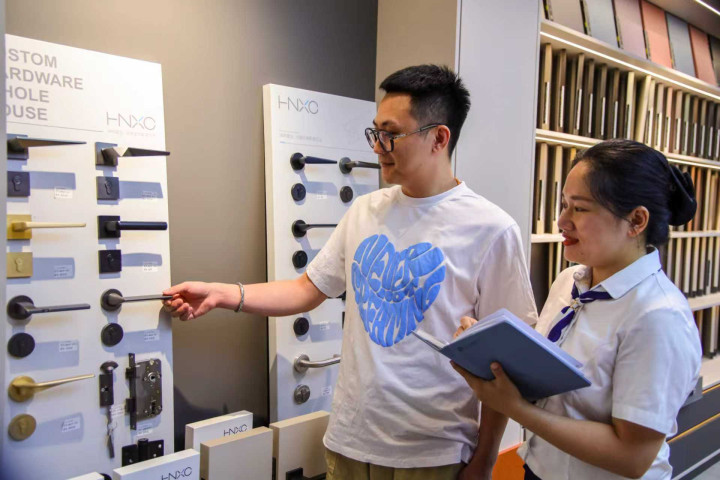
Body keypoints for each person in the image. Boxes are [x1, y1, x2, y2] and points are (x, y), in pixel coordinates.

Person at [163, 64, 537, 480]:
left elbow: (506, 361)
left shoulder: (490, 229)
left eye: (391, 134)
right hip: (350, 442)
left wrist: (485, 459)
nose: (377, 147)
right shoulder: (365, 210)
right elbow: (306, 289)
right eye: (375, 132)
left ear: (439, 138)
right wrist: (221, 293)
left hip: (434, 454)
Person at [453, 139, 702, 480]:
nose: (561, 221)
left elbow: (632, 456)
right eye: (563, 205)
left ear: (636, 220)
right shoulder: (570, 281)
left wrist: (515, 408)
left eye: (580, 209)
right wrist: (489, 349)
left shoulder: (659, 317)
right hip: (539, 468)